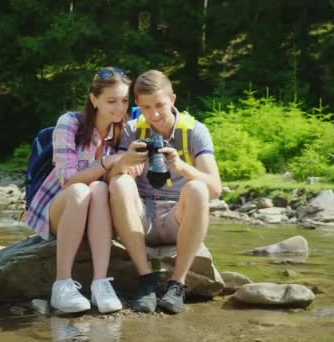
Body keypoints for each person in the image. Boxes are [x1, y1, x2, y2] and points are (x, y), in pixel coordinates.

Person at [107, 70, 222, 314]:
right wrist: (125, 163)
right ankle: (146, 279)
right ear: (137, 104)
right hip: (143, 217)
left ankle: (177, 283)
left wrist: (180, 166)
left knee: (198, 188)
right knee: (119, 183)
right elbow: (109, 178)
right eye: (146, 107)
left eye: (160, 105)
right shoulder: (131, 130)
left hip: (177, 218)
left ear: (173, 99)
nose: (154, 114)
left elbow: (215, 188)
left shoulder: (194, 131)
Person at [25, 67, 130, 314]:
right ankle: (61, 285)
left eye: (125, 100)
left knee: (99, 189)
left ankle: (100, 284)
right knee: (81, 190)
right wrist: (107, 162)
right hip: (60, 206)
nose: (119, 108)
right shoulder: (70, 123)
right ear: (94, 99)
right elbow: (68, 181)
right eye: (111, 101)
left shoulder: (125, 130)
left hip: (97, 212)